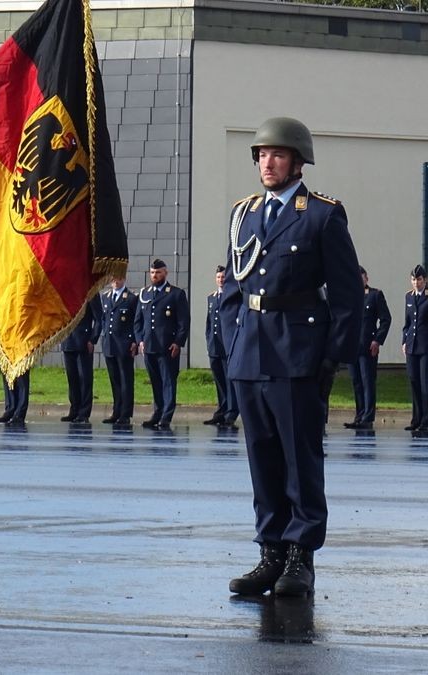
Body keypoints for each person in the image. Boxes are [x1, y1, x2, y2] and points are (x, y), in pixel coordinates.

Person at [222, 116, 362, 598]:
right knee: (261, 458)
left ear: (298, 161)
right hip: (250, 352)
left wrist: (330, 360)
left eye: (278, 154)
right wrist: (230, 344)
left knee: (300, 458)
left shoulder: (322, 215)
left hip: (298, 352)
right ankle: (271, 552)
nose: (267, 162)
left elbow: (347, 298)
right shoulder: (244, 214)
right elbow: (233, 292)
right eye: (261, 154)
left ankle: (301, 555)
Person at [134, 259, 189, 430]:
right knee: (155, 381)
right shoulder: (145, 294)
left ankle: (166, 415)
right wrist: (140, 340)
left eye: (158, 272)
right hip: (149, 345)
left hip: (167, 346)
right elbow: (138, 321)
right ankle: (157, 412)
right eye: (152, 272)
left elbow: (183, 321)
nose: (154, 275)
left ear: (165, 273)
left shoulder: (175, 294)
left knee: (168, 382)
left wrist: (178, 342)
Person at [345, 266, 390, 430]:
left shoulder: (375, 295)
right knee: (356, 382)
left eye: (361, 277)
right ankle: (359, 415)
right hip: (352, 347)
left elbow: (386, 319)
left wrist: (377, 340)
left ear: (366, 278)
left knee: (367, 382)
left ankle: (368, 417)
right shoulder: (350, 297)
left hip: (367, 347)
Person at [100, 276, 138, 425]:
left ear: (124, 279)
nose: (116, 281)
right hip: (110, 344)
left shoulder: (130, 298)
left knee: (126, 380)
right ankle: (116, 410)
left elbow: (136, 321)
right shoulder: (106, 297)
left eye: (119, 278)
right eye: (113, 278)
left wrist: (134, 340)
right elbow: (104, 319)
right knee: (114, 380)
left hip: (124, 345)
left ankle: (125, 413)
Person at [204, 265, 238, 429]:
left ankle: (231, 412)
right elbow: (209, 324)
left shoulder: (232, 297)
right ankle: (221, 410)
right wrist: (209, 340)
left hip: (228, 346)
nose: (221, 280)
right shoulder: (211, 298)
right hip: (214, 345)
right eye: (218, 277)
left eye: (223, 277)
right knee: (219, 380)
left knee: (229, 379)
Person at [60, 296, 102, 423]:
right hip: (68, 340)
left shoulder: (90, 290)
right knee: (72, 378)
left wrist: (92, 339)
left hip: (83, 341)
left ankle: (84, 412)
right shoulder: (65, 291)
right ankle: (74, 409)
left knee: (84, 378)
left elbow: (99, 318)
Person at [402, 265, 428, 433]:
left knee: (425, 384)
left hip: (426, 347)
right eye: (413, 280)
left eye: (419, 279)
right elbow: (408, 323)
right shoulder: (409, 297)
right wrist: (404, 340)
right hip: (412, 346)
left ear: (425, 280)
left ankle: (426, 420)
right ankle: (416, 418)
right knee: (414, 382)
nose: (416, 283)